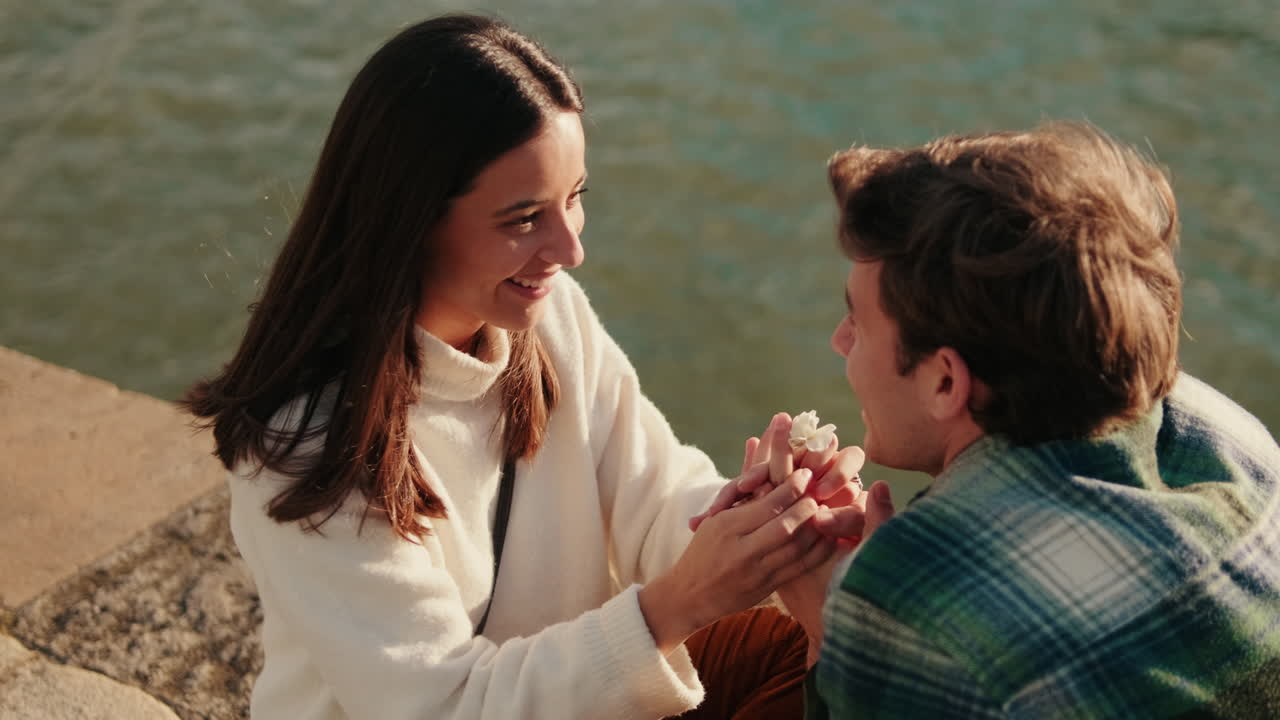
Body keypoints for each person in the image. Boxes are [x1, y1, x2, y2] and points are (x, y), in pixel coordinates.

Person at [182, 14, 863, 720]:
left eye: (576, 199)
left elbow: (654, 495)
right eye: (524, 219)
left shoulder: (547, 319)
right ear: (412, 220)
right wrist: (676, 604)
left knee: (823, 652)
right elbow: (442, 705)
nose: (569, 249)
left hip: (568, 694)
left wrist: (760, 522)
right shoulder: (307, 447)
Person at [767, 122, 1280, 717]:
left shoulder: (909, 598)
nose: (839, 340)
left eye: (857, 322)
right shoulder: (1234, 439)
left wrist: (835, 621)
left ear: (945, 381)